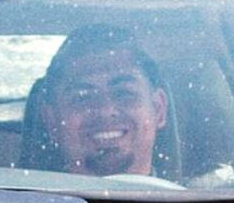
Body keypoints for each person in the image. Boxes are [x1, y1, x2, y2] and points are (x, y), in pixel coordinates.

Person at [26, 25, 170, 178]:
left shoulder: (194, 199)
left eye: (123, 93)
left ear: (158, 109)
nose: (105, 110)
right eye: (82, 97)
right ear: (52, 121)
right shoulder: (14, 202)